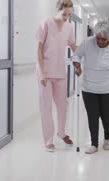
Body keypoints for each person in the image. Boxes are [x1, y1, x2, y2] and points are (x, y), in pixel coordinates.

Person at [72, 20, 109, 154]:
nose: (100, 41)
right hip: (89, 88)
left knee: (106, 116)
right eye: (97, 38)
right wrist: (77, 65)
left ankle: (107, 140)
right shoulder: (87, 42)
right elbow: (77, 55)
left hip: (108, 89)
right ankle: (94, 144)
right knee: (92, 116)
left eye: (103, 39)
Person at [36, 0, 77, 152]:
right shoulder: (45, 23)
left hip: (60, 71)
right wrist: (42, 72)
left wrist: (84, 51)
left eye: (69, 14)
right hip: (45, 72)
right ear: (57, 9)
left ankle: (61, 132)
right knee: (46, 107)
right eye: (64, 14)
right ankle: (48, 140)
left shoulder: (69, 27)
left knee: (63, 105)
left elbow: (73, 46)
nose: (67, 17)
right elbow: (39, 49)